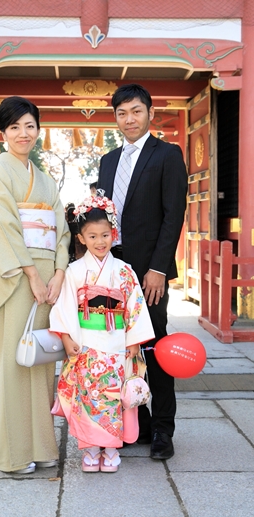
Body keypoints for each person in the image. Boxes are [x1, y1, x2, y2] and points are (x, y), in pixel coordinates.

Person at [0, 96, 70, 474]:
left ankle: (42, 445)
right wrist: (31, 273)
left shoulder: (45, 180)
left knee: (41, 362)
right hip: (14, 276)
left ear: (38, 130)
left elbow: (61, 231)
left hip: (48, 280)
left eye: (29, 125)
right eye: (14, 127)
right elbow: (3, 230)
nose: (22, 133)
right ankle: (13, 454)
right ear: (3, 133)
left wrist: (59, 273)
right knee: (12, 362)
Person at [97, 83, 188, 460]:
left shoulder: (167, 154)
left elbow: (173, 216)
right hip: (112, 270)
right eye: (121, 113)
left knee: (153, 346)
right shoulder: (107, 161)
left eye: (136, 111)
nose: (129, 119)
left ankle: (164, 428)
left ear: (150, 112)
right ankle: (141, 421)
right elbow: (102, 217)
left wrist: (157, 270)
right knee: (117, 349)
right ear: (115, 117)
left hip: (149, 273)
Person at [49, 195, 154, 473]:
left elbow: (135, 306)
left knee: (112, 397)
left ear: (113, 234)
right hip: (85, 345)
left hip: (117, 344)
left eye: (105, 235)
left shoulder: (124, 271)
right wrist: (67, 338)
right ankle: (91, 450)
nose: (100, 241)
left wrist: (133, 341)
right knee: (88, 398)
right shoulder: (73, 272)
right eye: (92, 236)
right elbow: (65, 306)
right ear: (81, 238)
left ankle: (110, 450)